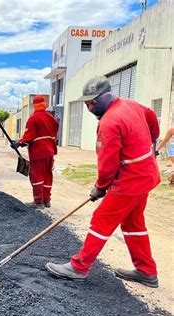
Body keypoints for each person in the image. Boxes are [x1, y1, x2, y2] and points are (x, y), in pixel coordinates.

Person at [46, 76, 161, 288]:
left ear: (107, 96)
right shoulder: (131, 104)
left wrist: (100, 187)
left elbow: (108, 165)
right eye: (86, 102)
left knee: (101, 220)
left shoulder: (109, 122)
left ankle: (79, 267)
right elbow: (152, 118)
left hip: (131, 180)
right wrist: (152, 141)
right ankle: (146, 271)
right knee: (133, 223)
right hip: (146, 175)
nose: (89, 106)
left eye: (93, 101)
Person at [12, 95, 59, 209]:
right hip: (50, 151)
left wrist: (19, 143)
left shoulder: (33, 118)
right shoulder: (52, 118)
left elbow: (29, 136)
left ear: (34, 105)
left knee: (36, 175)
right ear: (44, 104)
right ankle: (47, 200)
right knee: (47, 175)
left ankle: (38, 201)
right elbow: (55, 131)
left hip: (38, 152)